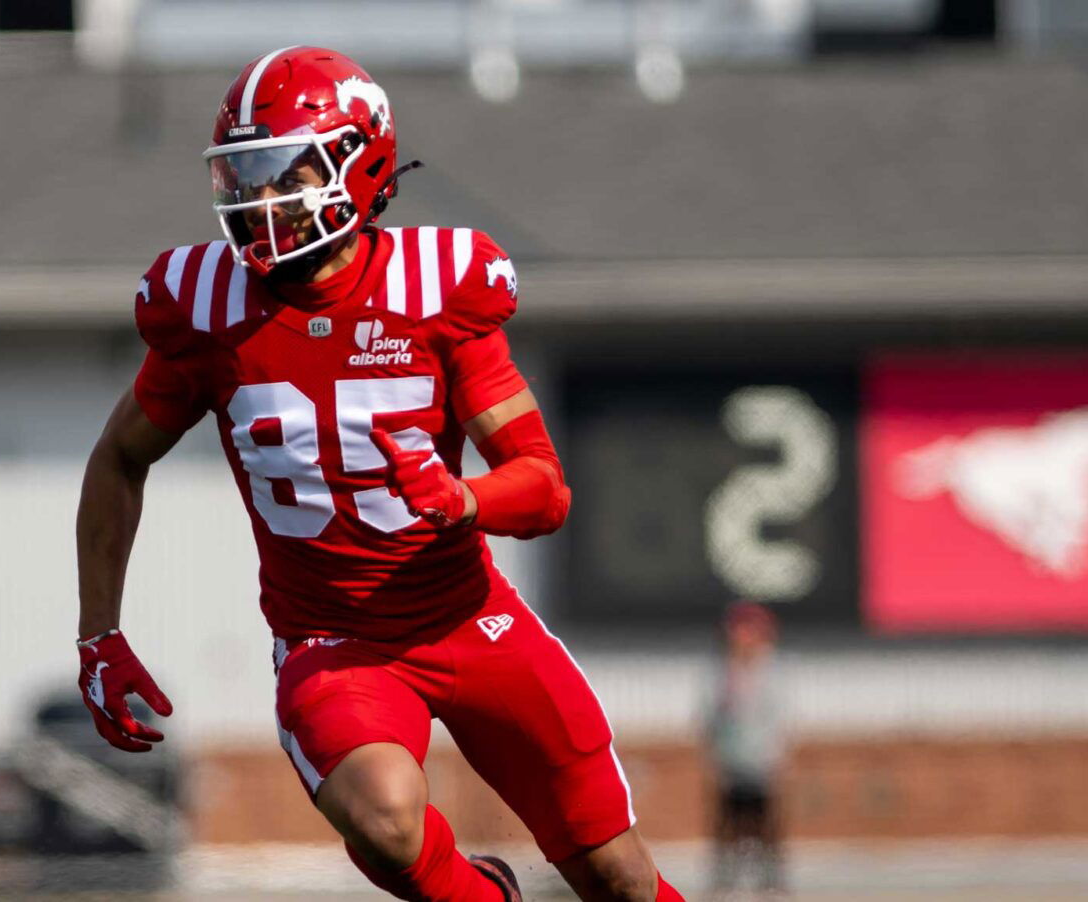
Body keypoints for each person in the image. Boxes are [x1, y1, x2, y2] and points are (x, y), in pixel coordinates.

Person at [75, 46, 686, 902]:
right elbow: (120, 457)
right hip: (333, 642)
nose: (258, 201)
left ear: (358, 166)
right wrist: (98, 632)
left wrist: (463, 498)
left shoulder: (436, 289)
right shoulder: (207, 309)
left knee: (619, 877)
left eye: (283, 174)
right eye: (243, 177)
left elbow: (543, 486)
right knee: (387, 822)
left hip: (469, 619)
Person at [701, 602, 788, 900]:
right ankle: (724, 880)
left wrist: (774, 755)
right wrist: (714, 754)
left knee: (766, 824)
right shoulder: (721, 672)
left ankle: (771, 881)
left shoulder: (772, 671)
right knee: (727, 823)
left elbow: (778, 717)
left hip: (761, 760)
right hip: (730, 760)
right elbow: (709, 716)